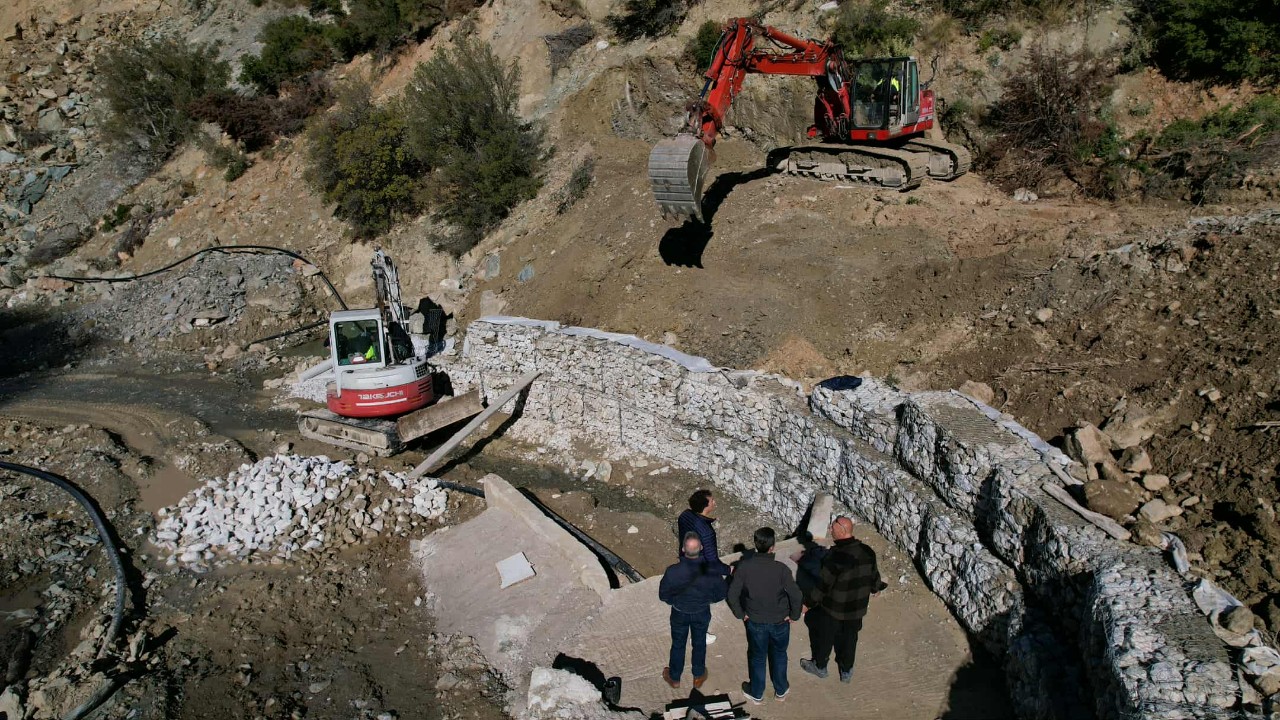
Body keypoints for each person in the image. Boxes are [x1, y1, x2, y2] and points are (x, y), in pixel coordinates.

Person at [800, 516, 887, 684]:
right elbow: (874, 576)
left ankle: (820, 666)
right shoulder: (867, 551)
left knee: (825, 637)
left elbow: (822, 587)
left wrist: (807, 604)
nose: (830, 531)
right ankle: (846, 670)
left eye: (832, 528)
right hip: (857, 608)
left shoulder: (834, 557)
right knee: (850, 638)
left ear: (841, 530)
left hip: (833, 609)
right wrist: (875, 589)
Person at [726, 527, 803, 704]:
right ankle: (781, 690)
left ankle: (757, 693)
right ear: (772, 547)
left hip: (755, 621)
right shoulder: (781, 569)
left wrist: (741, 614)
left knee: (758, 656)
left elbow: (732, 594)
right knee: (780, 654)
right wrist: (794, 615)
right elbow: (796, 595)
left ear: (755, 544)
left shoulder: (744, 567)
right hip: (780, 621)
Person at [658, 532, 728, 689]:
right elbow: (722, 593)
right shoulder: (711, 571)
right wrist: (708, 600)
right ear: (701, 548)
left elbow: (663, 595)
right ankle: (698, 675)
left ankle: (675, 677)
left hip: (679, 612)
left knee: (678, 644)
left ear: (683, 549)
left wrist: (673, 601)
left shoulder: (672, 571)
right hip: (701, 612)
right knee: (699, 643)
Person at [677, 490, 731, 577]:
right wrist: (729, 570)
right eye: (712, 501)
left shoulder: (684, 515)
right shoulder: (707, 532)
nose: (714, 502)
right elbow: (712, 561)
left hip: (684, 557)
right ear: (705, 507)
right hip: (699, 567)